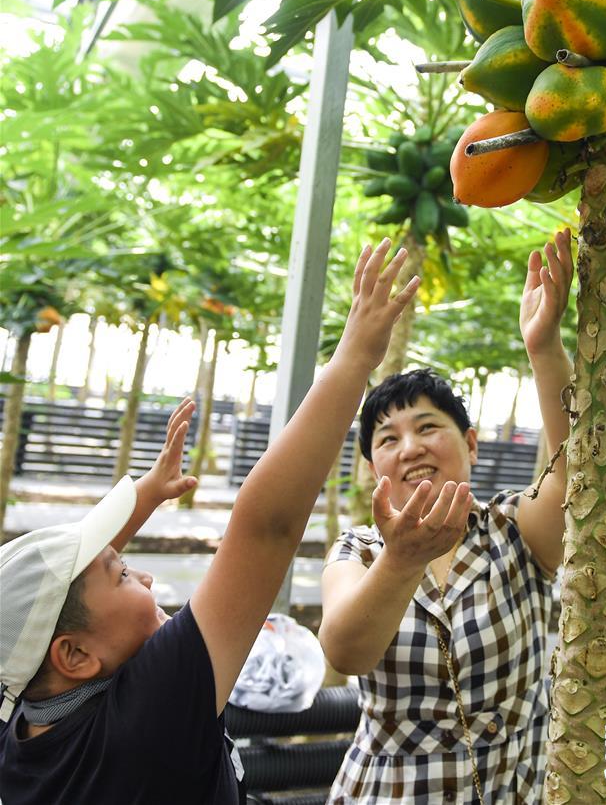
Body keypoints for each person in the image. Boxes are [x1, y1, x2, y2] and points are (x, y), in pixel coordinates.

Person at [0, 240, 421, 805]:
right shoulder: (149, 711)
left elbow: (62, 605)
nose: (145, 577)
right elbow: (266, 528)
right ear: (74, 656)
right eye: (123, 575)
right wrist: (354, 358)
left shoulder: (23, 714)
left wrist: (140, 502)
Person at [320, 229, 574, 805]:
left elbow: (571, 475)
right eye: (388, 438)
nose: (410, 447)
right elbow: (345, 650)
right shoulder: (357, 551)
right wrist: (402, 559)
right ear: (372, 469)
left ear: (471, 445)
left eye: (429, 427)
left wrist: (544, 350)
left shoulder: (514, 531)